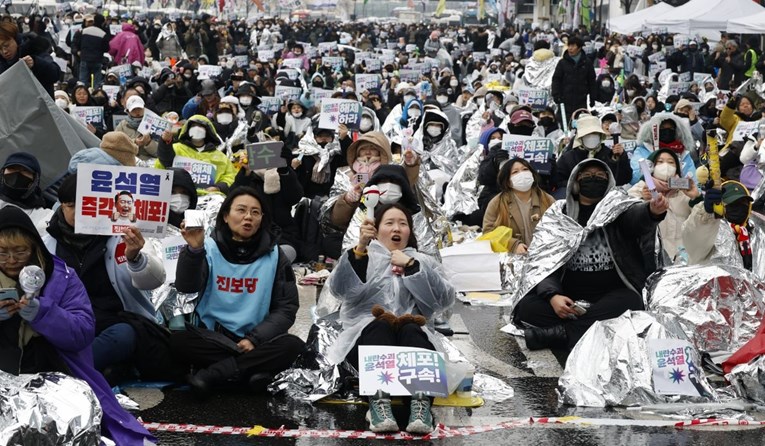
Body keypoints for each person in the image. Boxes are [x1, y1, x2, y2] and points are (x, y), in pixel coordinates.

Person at [0, 206, 155, 444]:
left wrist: (44, 314)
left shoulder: (61, 276)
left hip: (53, 366)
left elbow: (82, 333)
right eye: (2, 253)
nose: (11, 260)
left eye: (19, 251)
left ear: (34, 247)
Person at [514, 159, 668, 350]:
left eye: (600, 176)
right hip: (568, 294)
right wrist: (553, 296)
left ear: (608, 181)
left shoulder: (619, 208)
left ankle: (562, 334)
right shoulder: (559, 213)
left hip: (611, 293)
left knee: (632, 303)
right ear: (576, 181)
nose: (593, 179)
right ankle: (589, 327)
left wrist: (652, 211)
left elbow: (636, 218)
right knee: (527, 307)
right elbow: (544, 260)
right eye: (587, 176)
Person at [328, 203, 455, 434]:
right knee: (380, 325)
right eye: (389, 223)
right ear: (376, 229)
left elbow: (443, 301)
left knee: (411, 327)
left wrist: (412, 267)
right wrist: (359, 252)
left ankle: (420, 405)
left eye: (403, 223)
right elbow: (340, 290)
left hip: (411, 344)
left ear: (410, 232)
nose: (396, 228)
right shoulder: (364, 254)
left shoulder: (421, 260)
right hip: (366, 343)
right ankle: (378, 404)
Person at [44, 175, 180, 382]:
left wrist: (135, 257)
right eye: (72, 205)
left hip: (115, 320)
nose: (80, 211)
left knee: (123, 336)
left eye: (87, 205)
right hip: (70, 322)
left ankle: (66, 373)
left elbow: (154, 280)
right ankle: (100, 369)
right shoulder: (47, 243)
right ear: (61, 207)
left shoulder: (122, 235)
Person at [171, 187, 305, 397]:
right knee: (178, 340)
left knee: (293, 346)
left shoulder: (276, 256)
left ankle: (213, 375)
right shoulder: (207, 248)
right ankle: (251, 372)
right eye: (241, 210)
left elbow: (287, 308)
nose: (247, 217)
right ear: (225, 216)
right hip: (214, 338)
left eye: (255, 212)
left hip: (257, 340)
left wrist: (254, 339)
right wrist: (194, 251)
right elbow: (186, 287)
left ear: (262, 218)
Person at [627, 149, 700, 262]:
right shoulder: (640, 188)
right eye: (660, 162)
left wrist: (696, 198)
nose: (665, 166)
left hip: (682, 261)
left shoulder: (685, 191)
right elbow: (627, 218)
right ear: (652, 166)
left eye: (671, 162)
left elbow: (703, 221)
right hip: (649, 260)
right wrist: (642, 200)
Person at [483, 158, 555, 254]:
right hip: (511, 260)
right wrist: (513, 245)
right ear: (508, 181)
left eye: (525, 169)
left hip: (545, 257)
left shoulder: (547, 199)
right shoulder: (497, 203)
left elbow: (559, 227)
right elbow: (488, 233)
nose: (522, 174)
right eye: (515, 172)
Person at [683, 181, 758, 272]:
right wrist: (706, 212)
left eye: (743, 203)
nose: (738, 208)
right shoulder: (711, 229)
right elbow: (694, 237)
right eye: (732, 204)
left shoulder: (755, 235)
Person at [156, 115, 235, 195]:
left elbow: (230, 176)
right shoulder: (175, 148)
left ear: (207, 131)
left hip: (210, 198)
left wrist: (218, 187)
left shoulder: (220, 157)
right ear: (187, 129)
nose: (197, 129)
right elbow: (163, 163)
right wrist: (164, 143)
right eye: (194, 126)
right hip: (178, 194)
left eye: (201, 126)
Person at [555, 115, 631, 197]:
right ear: (580, 138)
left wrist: (621, 157)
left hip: (605, 199)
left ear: (600, 136)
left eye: (595, 133)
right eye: (587, 134)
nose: (592, 137)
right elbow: (557, 180)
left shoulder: (610, 154)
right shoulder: (568, 157)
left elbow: (624, 179)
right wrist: (573, 185)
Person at [0, 21, 61, 97]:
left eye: (6, 45)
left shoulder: (34, 49)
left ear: (16, 40)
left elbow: (55, 73)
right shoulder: (2, 63)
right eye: (0, 48)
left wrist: (35, 63)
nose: (4, 51)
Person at [0, 153, 52, 236]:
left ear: (35, 179)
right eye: (12, 168)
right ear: (2, 172)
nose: (17, 174)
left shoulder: (44, 215)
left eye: (24, 171)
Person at [551, 35, 596, 122]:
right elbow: (556, 79)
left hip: (581, 101)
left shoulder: (586, 63)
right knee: (564, 124)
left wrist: (592, 97)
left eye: (573, 46)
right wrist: (556, 95)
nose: (570, 48)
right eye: (569, 46)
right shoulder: (562, 63)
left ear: (579, 48)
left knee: (580, 125)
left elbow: (592, 81)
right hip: (564, 101)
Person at [72, 14, 110, 89]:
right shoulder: (103, 34)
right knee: (97, 82)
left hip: (84, 59)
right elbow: (106, 48)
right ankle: (96, 96)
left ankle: (81, 93)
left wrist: (78, 51)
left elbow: (76, 43)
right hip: (97, 60)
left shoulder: (83, 31)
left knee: (82, 81)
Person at [115, 95, 158, 160]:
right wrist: (134, 142)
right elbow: (116, 145)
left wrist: (149, 143)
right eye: (134, 109)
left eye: (139, 108)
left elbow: (161, 152)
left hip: (150, 162)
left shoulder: (155, 123)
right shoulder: (122, 125)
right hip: (127, 162)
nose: (137, 112)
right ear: (128, 111)